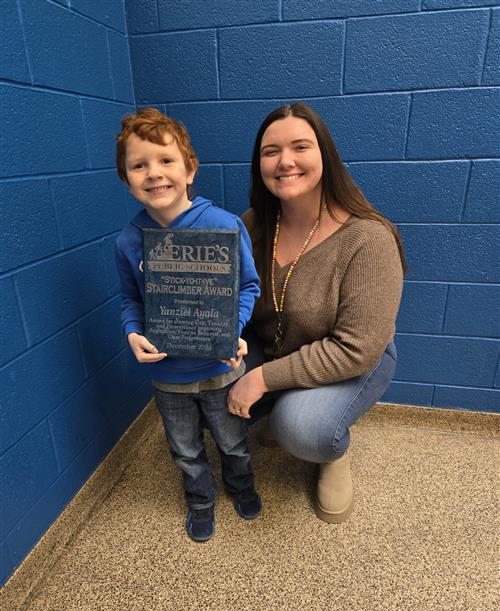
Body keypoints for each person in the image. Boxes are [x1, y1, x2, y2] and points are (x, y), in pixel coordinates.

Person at [227, 102, 404, 524]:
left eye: (300, 147)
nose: (285, 161)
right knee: (209, 393)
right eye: (271, 152)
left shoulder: (367, 238)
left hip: (351, 359)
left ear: (325, 155)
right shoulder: (250, 225)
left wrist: (260, 379)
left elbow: (355, 350)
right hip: (273, 344)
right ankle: (280, 402)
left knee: (302, 430)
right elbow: (224, 299)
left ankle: (331, 450)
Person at [115, 108, 262, 542]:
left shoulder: (223, 225)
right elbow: (130, 300)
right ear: (126, 180)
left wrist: (232, 328)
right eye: (139, 165)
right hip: (168, 374)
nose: (154, 174)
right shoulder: (128, 241)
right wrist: (132, 333)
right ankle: (200, 500)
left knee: (232, 439)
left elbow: (248, 286)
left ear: (189, 168)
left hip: (220, 366)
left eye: (165, 161)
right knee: (183, 448)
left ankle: (241, 485)